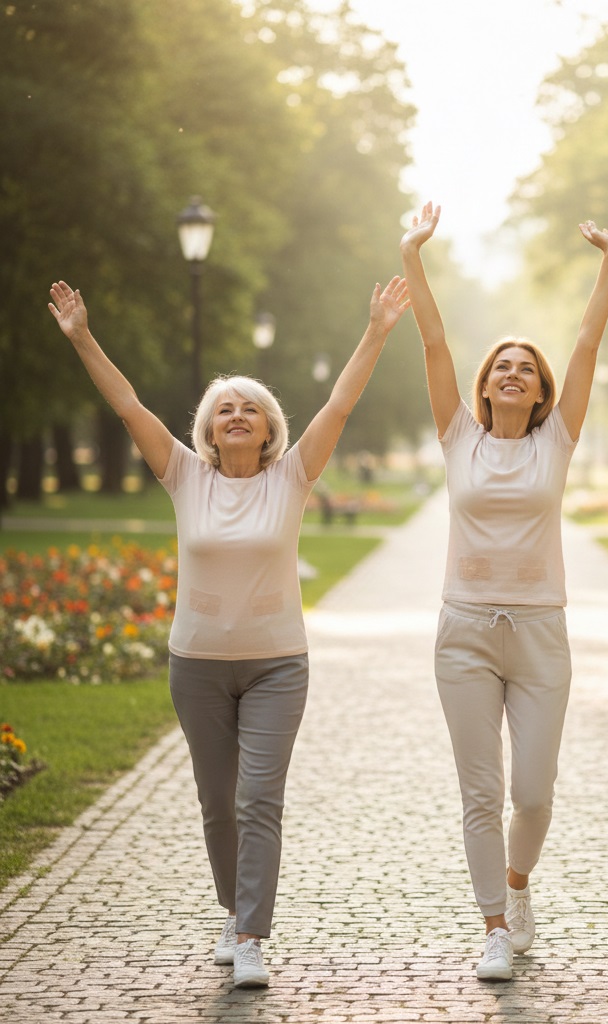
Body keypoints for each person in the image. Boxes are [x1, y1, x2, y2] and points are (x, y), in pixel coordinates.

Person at [48, 275, 410, 988]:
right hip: (198, 666)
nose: (237, 416)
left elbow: (341, 401)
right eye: (225, 410)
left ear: (271, 428)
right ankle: (232, 908)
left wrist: (375, 331)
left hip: (278, 665)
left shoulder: (294, 475)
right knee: (218, 804)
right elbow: (127, 405)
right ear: (209, 429)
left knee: (258, 800)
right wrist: (83, 336)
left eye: (251, 409)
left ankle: (250, 936)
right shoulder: (183, 475)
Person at [400, 202, 608, 981]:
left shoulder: (556, 442)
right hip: (463, 630)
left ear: (540, 391)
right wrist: (413, 255)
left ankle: (518, 887)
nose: (512, 372)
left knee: (532, 790)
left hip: (538, 634)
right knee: (480, 790)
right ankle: (493, 923)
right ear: (485, 385)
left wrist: (607, 265)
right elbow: (431, 339)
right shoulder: (457, 434)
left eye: (526, 367)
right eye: (502, 364)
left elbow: (590, 342)